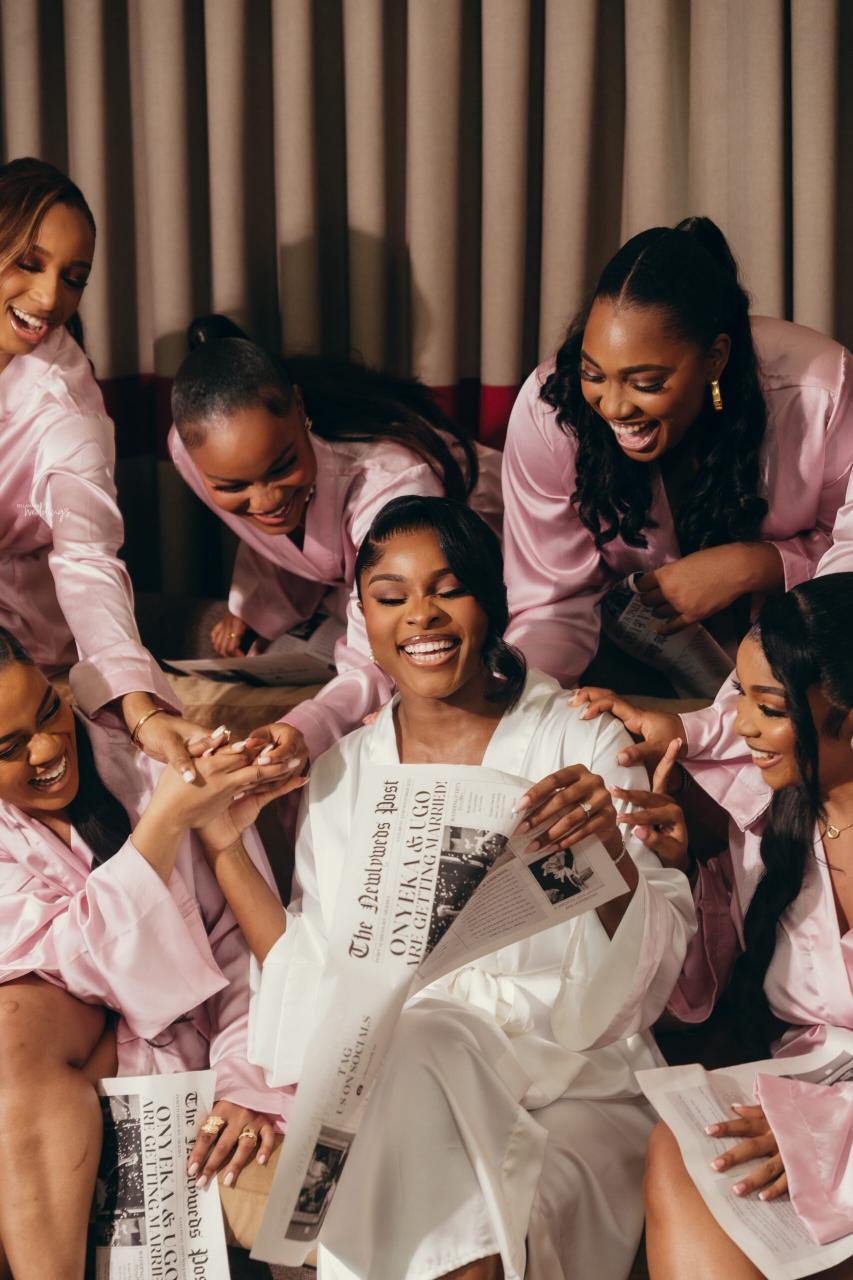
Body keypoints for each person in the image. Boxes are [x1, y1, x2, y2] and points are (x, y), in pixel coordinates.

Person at [194, 495, 695, 1280]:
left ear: (488, 602)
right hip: (402, 1075)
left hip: (568, 1081)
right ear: (363, 616)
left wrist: (610, 859)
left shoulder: (581, 738)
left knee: (416, 1093)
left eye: (448, 590)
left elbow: (646, 973)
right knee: (420, 1046)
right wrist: (226, 848)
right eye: (390, 597)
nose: (420, 617)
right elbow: (316, 972)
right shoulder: (342, 773)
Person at [0, 627, 298, 1279]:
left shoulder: (157, 765)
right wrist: (162, 825)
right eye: (9, 747)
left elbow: (247, 947)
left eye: (49, 711)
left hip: (188, 1053)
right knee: (11, 1021)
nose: (48, 747)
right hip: (60, 1075)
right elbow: (82, 966)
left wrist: (244, 1082)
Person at [612, 576, 853, 1276]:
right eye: (739, 695)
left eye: (767, 707)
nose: (740, 725)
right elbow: (694, 994)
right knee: (681, 1148)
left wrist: (830, 1132)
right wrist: (676, 873)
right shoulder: (767, 822)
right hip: (802, 1088)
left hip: (834, 1122)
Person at [501, 215, 853, 692]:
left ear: (715, 359)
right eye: (593, 374)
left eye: (647, 383)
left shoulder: (820, 391)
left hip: (804, 679)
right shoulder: (553, 408)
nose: (614, 406)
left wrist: (757, 565)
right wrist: (526, 703)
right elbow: (551, 604)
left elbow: (846, 571)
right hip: (636, 678)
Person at [168, 319, 503, 767]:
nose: (266, 501)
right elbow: (268, 537)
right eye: (233, 486)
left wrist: (309, 725)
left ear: (300, 409)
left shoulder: (392, 485)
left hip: (492, 561)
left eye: (282, 467)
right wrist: (256, 604)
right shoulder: (186, 450)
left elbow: (381, 652)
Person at [0, 156, 212, 781]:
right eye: (29, 263)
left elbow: (87, 558)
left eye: (73, 278)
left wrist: (139, 709)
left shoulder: (66, 408)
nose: (50, 299)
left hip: (23, 655)